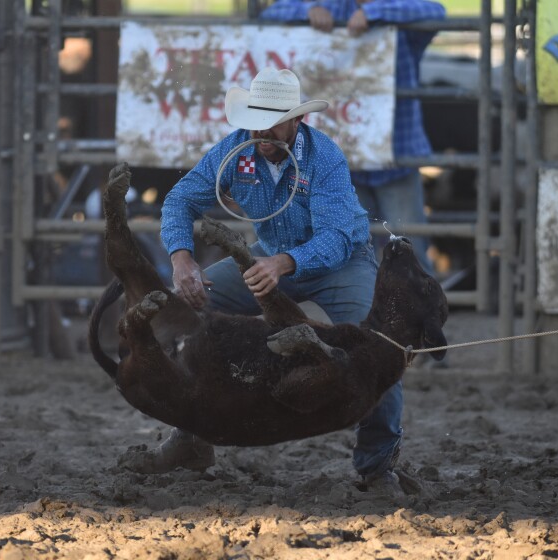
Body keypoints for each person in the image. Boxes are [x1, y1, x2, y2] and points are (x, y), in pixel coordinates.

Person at [120, 67, 401, 494]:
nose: (264, 130)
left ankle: (379, 467)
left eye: (275, 120)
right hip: (270, 260)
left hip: (341, 265)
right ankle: (190, 438)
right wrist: (182, 259)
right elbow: (180, 199)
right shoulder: (235, 152)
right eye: (257, 119)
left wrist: (285, 262)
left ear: (297, 121)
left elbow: (338, 237)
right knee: (196, 315)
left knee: (377, 350)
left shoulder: (324, 158)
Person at [260, 0, 446, 275]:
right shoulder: (330, 7)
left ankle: (421, 314)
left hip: (394, 156)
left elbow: (437, 13)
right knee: (354, 253)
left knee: (411, 251)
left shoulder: (395, 9)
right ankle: (368, 313)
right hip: (348, 162)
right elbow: (267, 17)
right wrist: (307, 12)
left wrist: (373, 12)